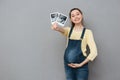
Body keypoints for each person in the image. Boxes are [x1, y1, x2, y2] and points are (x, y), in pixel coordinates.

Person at [51, 8, 98, 80]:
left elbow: (94, 52)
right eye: (73, 16)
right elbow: (61, 29)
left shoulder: (88, 32)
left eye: (78, 14)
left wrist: (80, 64)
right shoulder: (68, 30)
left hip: (81, 67)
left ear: (81, 15)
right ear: (71, 19)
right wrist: (56, 27)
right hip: (68, 66)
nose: (76, 17)